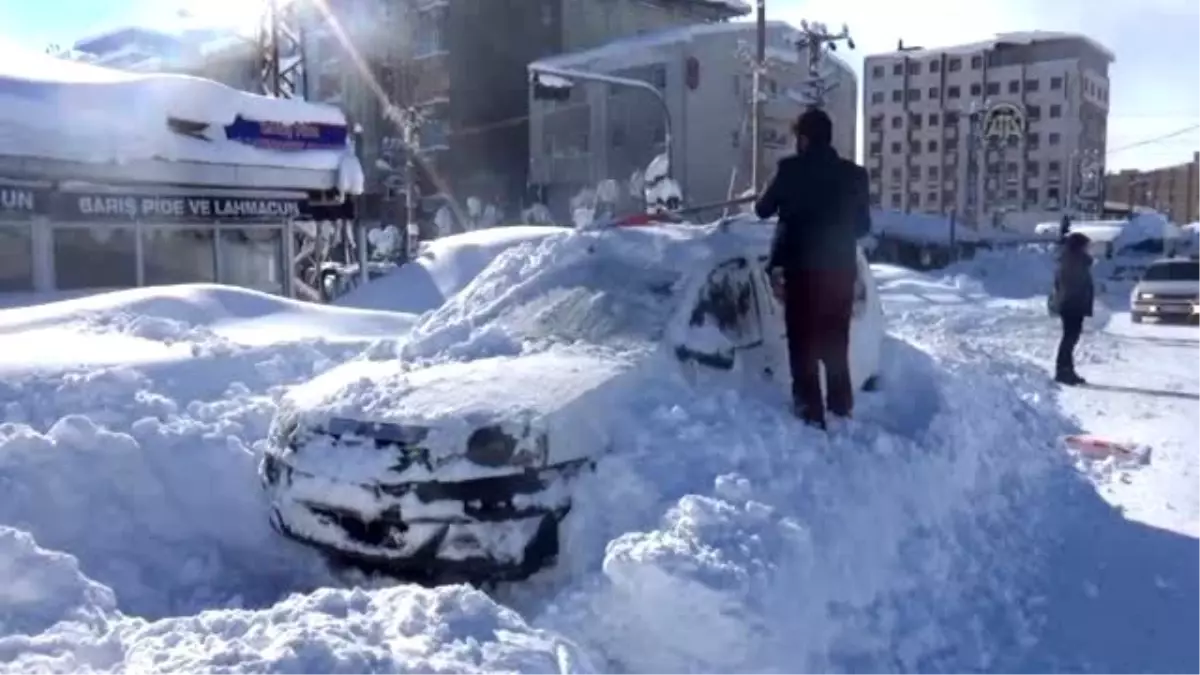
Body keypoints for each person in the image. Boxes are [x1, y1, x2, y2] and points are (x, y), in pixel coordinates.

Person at [754, 107, 871, 429]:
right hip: (839, 272)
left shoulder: (790, 170)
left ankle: (810, 411)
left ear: (803, 139)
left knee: (802, 343)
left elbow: (762, 210)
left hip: (801, 272)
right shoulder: (855, 175)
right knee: (836, 340)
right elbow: (863, 227)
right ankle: (840, 407)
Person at [1052, 231, 1095, 385]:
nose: (1088, 249)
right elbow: (1073, 284)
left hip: (1072, 303)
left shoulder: (1073, 260)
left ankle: (1067, 370)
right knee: (1069, 338)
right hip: (1072, 304)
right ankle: (1063, 371)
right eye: (1086, 246)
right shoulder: (1074, 261)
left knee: (1071, 338)